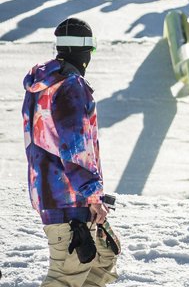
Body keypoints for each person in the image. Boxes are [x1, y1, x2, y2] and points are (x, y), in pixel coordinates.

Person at [24, 18, 121, 286]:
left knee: (103, 259)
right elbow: (74, 147)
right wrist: (92, 195)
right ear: (86, 51)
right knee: (67, 275)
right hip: (69, 199)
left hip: (52, 193)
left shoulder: (41, 85)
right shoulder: (71, 86)